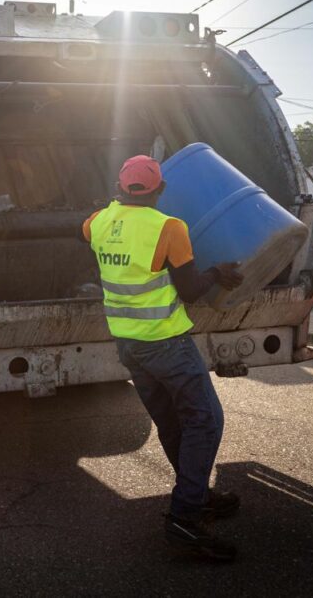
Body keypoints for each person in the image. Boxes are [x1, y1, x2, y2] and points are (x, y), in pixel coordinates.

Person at [83, 155, 244, 562]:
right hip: (166, 344)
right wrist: (216, 272)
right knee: (205, 421)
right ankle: (185, 518)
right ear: (161, 189)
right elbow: (190, 291)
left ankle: (197, 496)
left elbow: (86, 231)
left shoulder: (96, 222)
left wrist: (113, 212)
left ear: (119, 187)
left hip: (129, 345)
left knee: (171, 423)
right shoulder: (169, 227)